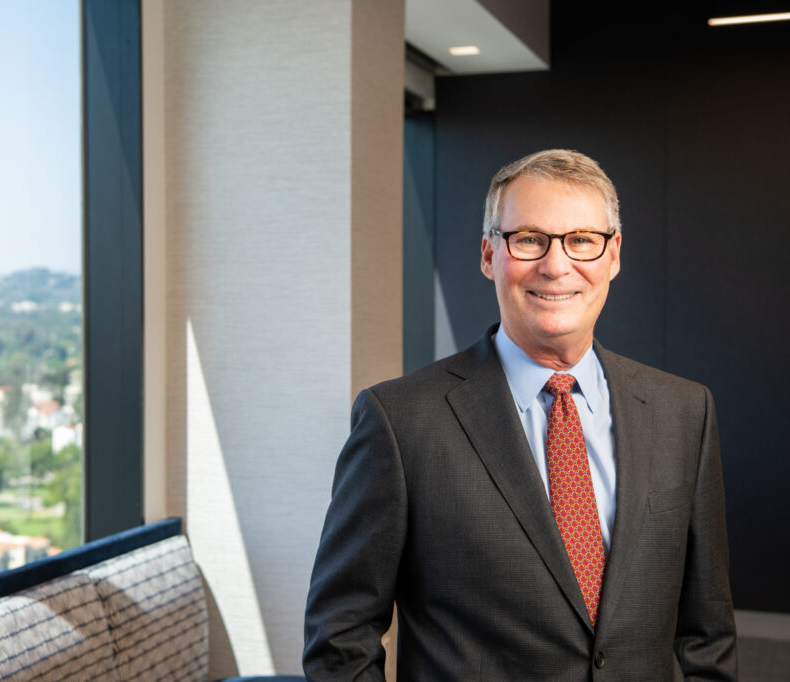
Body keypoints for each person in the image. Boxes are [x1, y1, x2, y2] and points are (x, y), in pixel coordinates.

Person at [303, 149, 737, 680]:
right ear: (489, 254)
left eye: (582, 240)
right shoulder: (400, 422)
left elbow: (707, 633)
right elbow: (340, 635)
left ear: (614, 255)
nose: (557, 266)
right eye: (529, 239)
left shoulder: (684, 413)